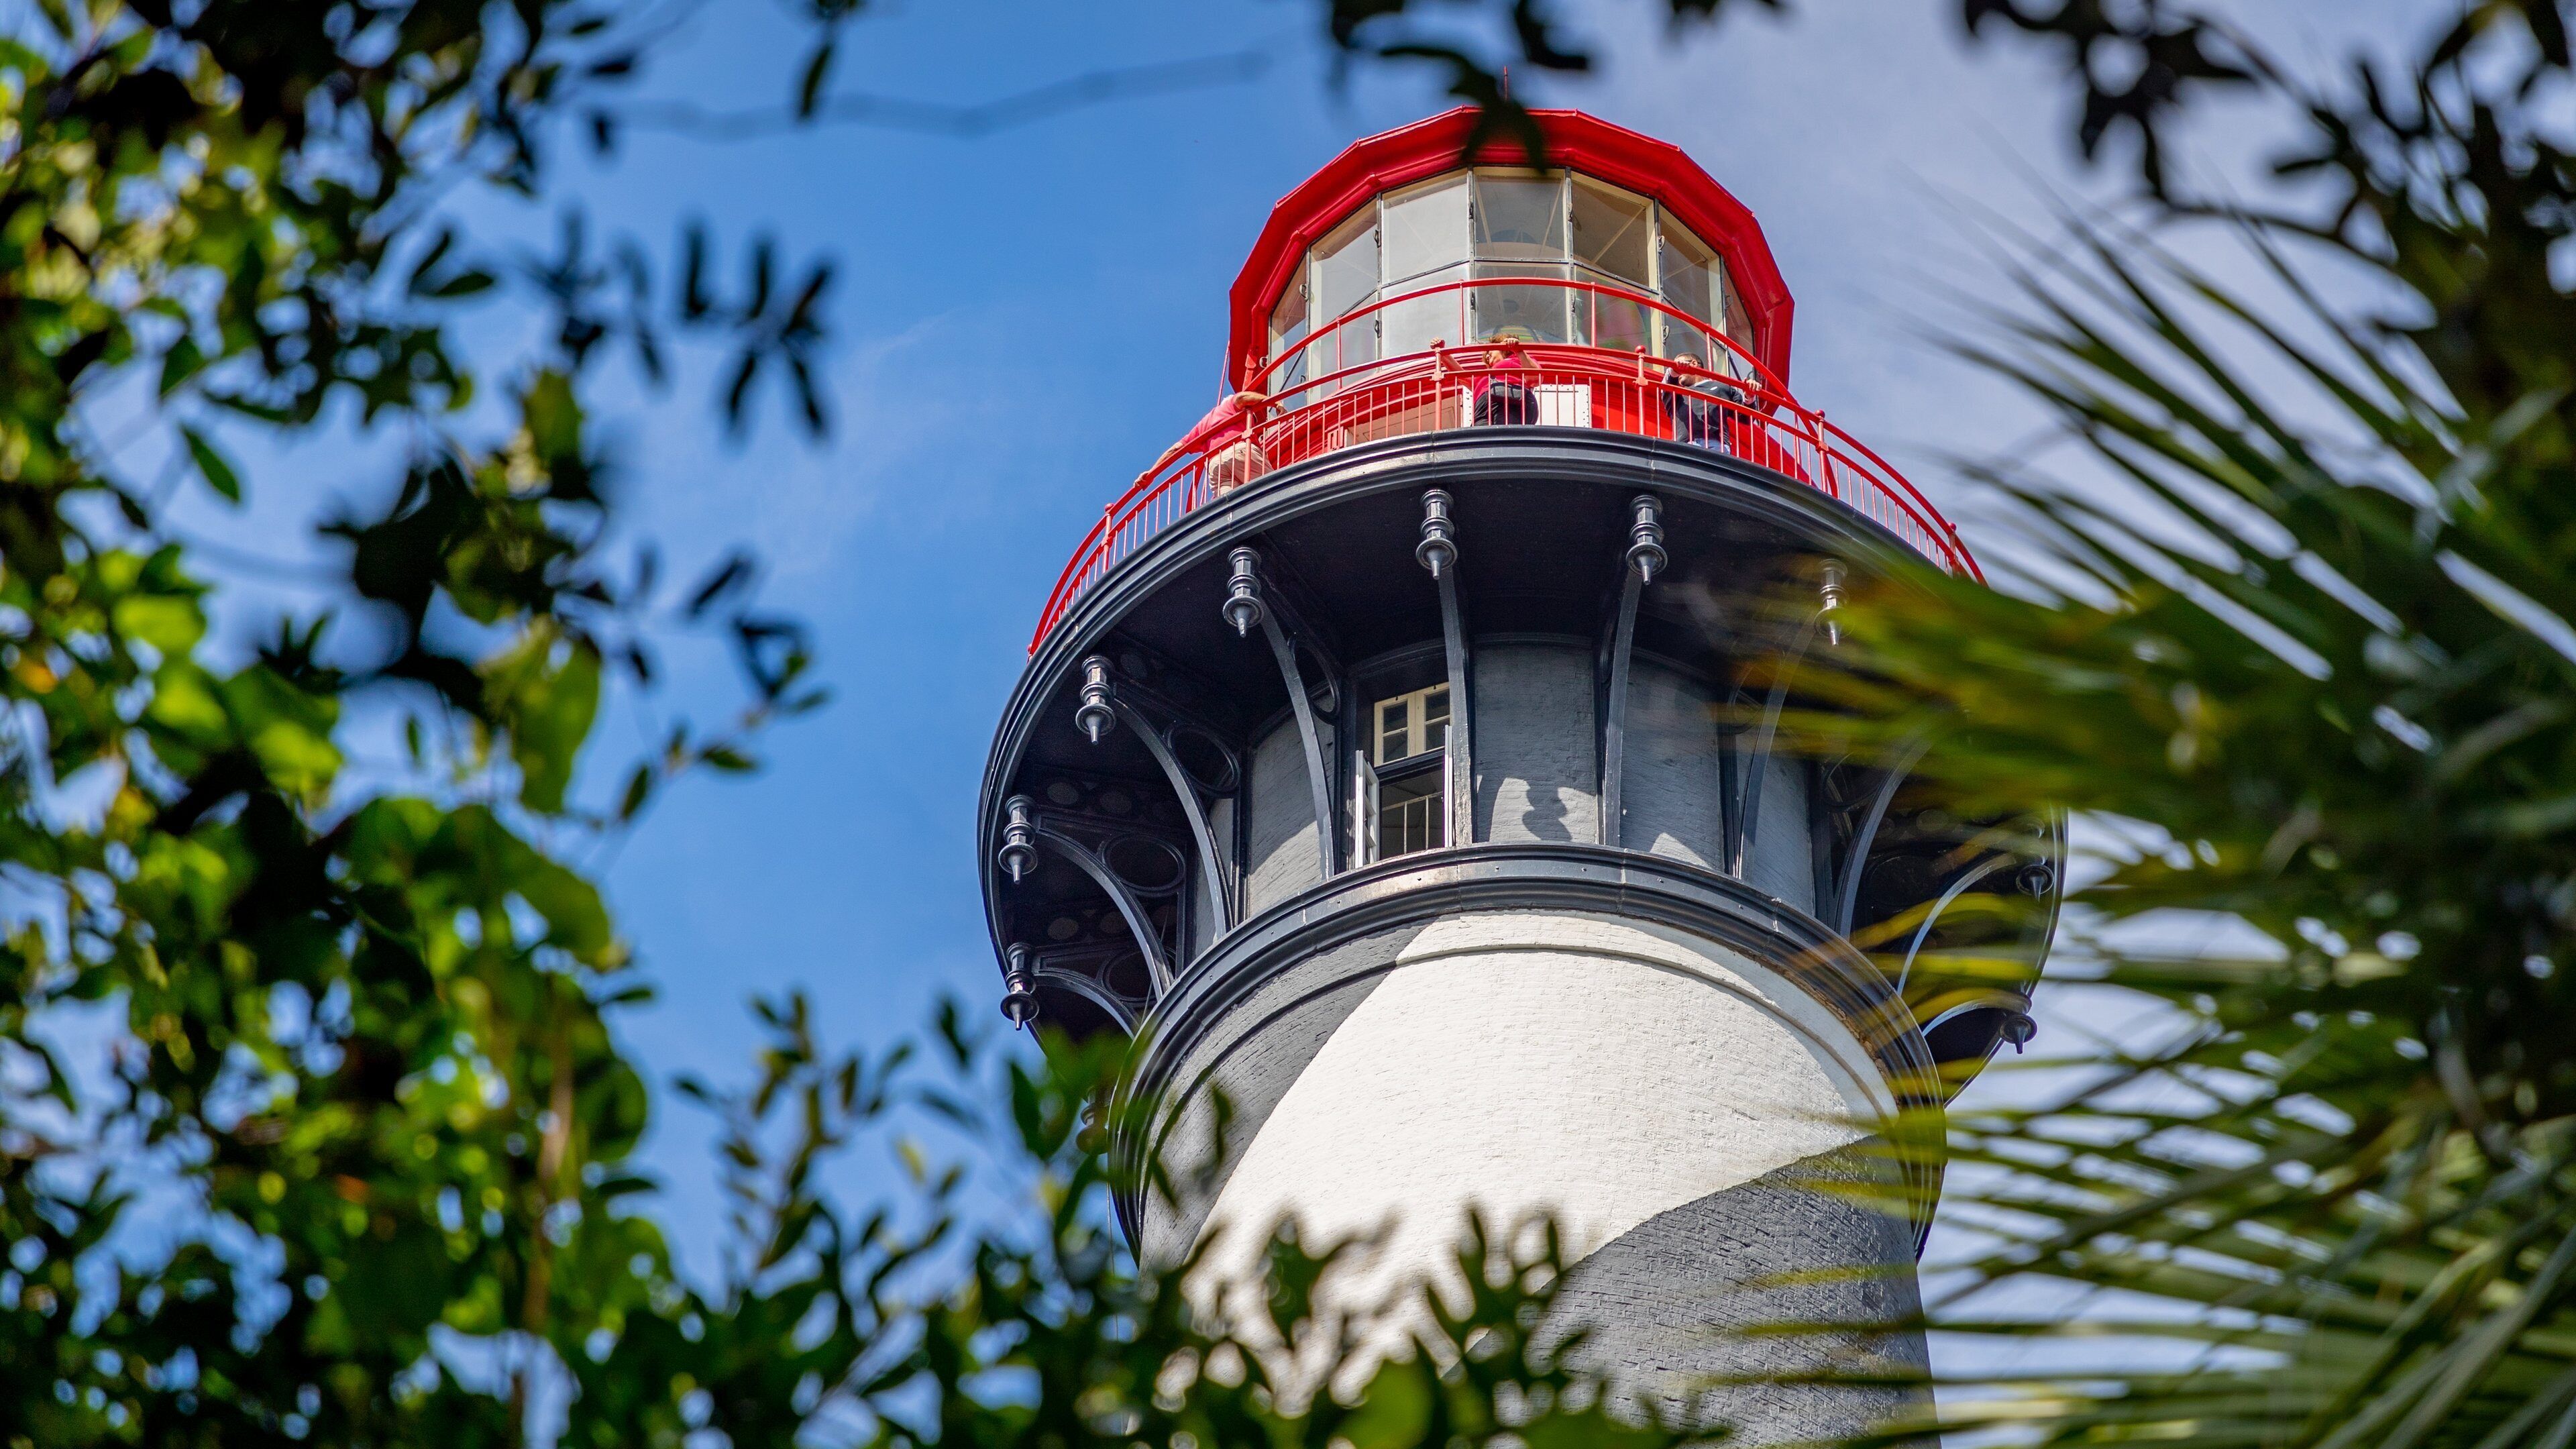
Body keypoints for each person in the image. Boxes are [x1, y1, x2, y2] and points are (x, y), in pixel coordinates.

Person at [1143, 386, 1271, 500]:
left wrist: (1152, 473)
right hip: (1239, 451)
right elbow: (1242, 397)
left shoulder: (1202, 425)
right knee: (1269, 490)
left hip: (1215, 466)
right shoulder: (1230, 405)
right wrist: (1275, 403)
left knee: (1230, 508)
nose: (1252, 423)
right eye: (1253, 420)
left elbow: (1176, 449)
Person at [1660, 352, 1743, 451]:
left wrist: (1749, 396)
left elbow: (1743, 417)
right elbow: (1668, 383)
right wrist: (1674, 369)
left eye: (1681, 364)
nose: (1678, 373)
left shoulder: (1721, 388)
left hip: (1717, 444)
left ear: (1694, 364)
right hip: (1685, 445)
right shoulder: (1676, 393)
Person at [1471, 333, 1536, 426]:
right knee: (1482, 437)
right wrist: (1445, 357)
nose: (1487, 356)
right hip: (1483, 407)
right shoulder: (1487, 375)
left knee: (1506, 434)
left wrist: (1518, 350)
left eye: (1490, 352)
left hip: (1506, 399)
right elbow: (1463, 378)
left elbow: (1535, 378)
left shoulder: (1517, 359)